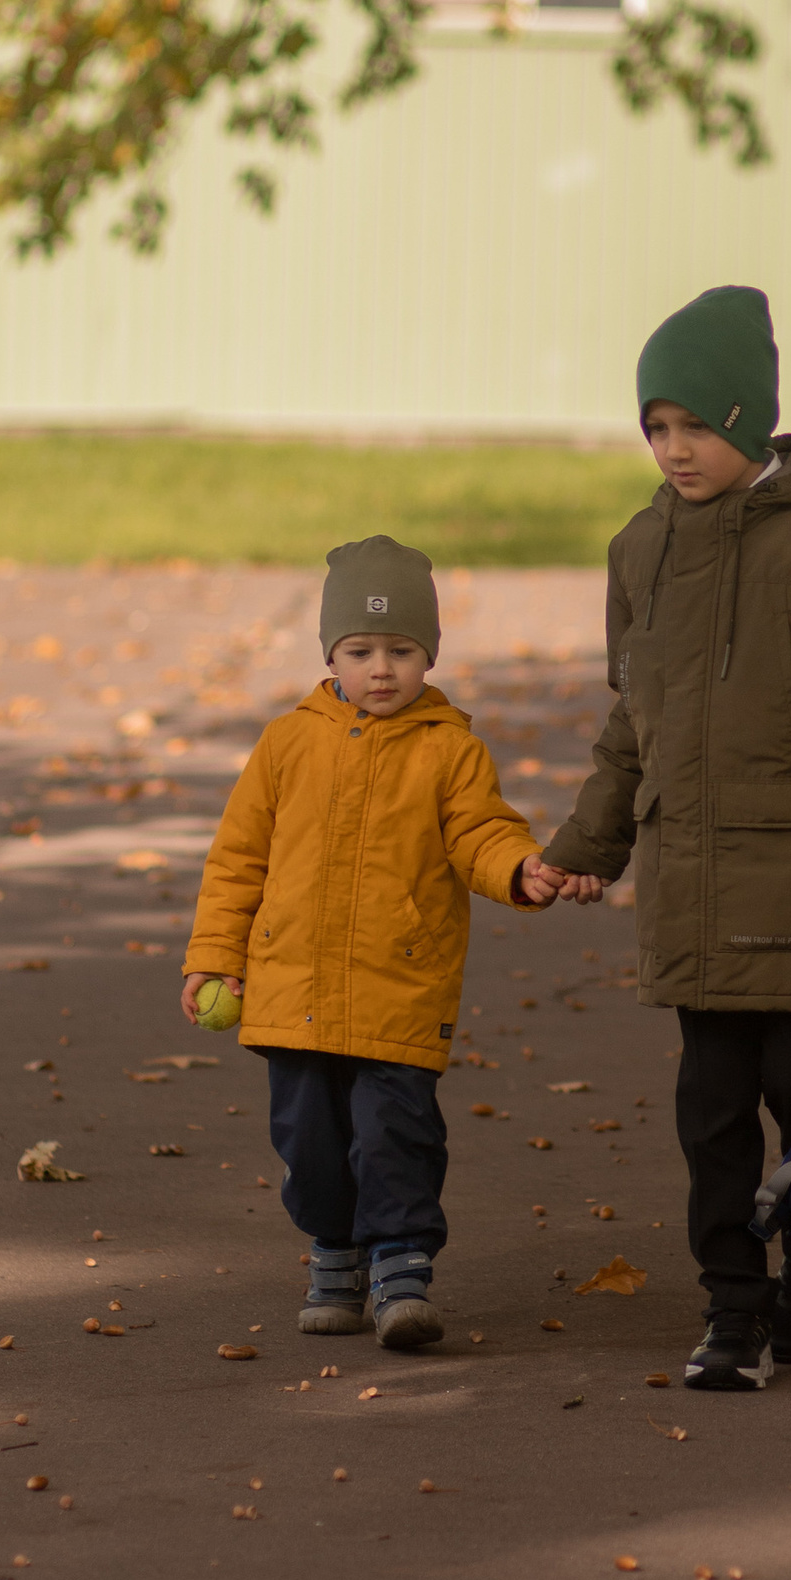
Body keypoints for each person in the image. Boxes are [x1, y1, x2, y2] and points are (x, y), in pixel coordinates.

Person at [538, 284, 791, 1391]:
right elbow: (635, 719)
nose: (674, 449)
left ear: (751, 418)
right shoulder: (640, 550)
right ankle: (732, 1305)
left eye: (696, 426)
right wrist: (586, 843)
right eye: (655, 427)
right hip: (695, 899)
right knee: (709, 1122)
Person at [180, 535, 599, 1352]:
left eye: (402, 651)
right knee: (310, 1140)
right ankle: (334, 1254)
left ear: (429, 654)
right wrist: (214, 956)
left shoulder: (449, 750)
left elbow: (481, 833)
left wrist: (519, 869)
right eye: (361, 650)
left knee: (395, 1134)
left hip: (398, 989)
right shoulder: (286, 743)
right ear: (331, 654)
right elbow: (237, 859)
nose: (382, 669)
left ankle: (401, 1267)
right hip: (292, 992)